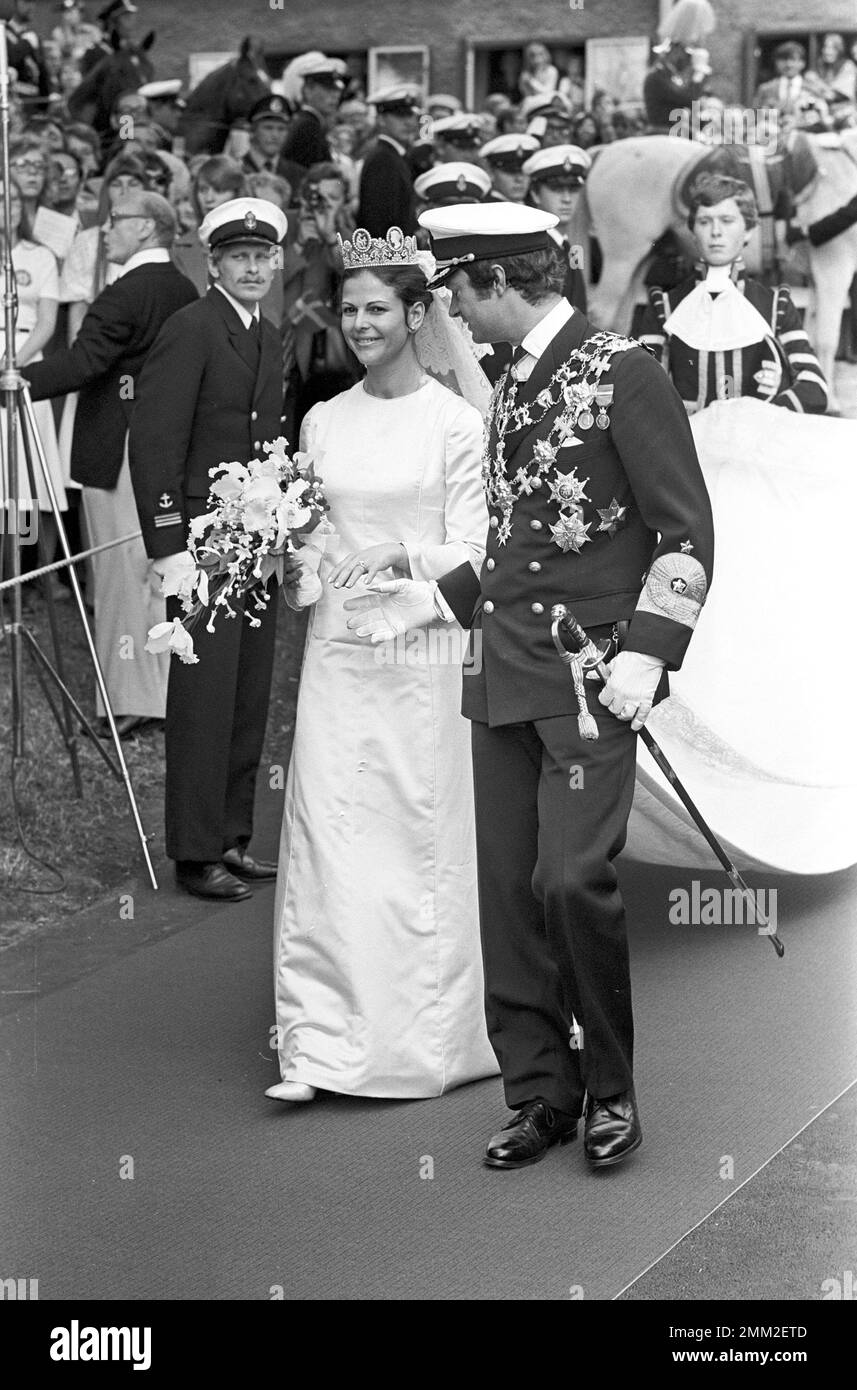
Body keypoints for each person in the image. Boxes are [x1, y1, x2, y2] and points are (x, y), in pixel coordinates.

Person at [345, 203, 715, 1170]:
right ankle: (539, 1092)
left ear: (498, 282)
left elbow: (684, 534)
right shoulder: (512, 379)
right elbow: (518, 544)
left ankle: (611, 1090)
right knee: (508, 892)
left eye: (458, 296)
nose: (451, 318)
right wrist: (435, 601)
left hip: (592, 676)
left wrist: (647, 651)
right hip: (500, 668)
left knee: (570, 880)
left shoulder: (625, 370)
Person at [267, 225, 497, 1104]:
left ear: (416, 313)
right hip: (336, 650)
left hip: (420, 651)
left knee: (413, 830)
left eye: (378, 309)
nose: (361, 324)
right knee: (329, 826)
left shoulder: (453, 423)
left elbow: (474, 546)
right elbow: (314, 534)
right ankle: (319, 1042)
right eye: (350, 308)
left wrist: (400, 563)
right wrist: (284, 556)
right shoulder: (324, 417)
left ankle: (427, 1036)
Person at [129, 198, 288, 901]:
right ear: (212, 262)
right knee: (202, 699)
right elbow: (155, 441)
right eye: (237, 257)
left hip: (254, 543)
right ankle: (194, 853)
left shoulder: (268, 333)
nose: (252, 267)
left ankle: (231, 835)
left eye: (263, 256)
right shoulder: (192, 329)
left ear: (277, 262)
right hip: (199, 544)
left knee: (247, 691)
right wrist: (168, 545)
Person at [23, 192, 198, 737]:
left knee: (122, 577)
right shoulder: (183, 287)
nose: (105, 232)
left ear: (147, 228)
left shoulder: (126, 292)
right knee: (157, 569)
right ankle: (162, 690)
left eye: (115, 222)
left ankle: (130, 700)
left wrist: (17, 382)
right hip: (167, 447)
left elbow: (85, 361)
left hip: (120, 449)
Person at [639, 174, 828, 415]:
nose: (716, 232)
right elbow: (642, 389)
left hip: (754, 442)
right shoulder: (664, 307)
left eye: (727, 220)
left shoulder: (774, 306)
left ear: (748, 231)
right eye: (705, 221)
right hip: (690, 443)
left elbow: (815, 387)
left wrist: (766, 410)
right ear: (693, 233)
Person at [523, 145, 590, 313]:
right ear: (535, 194)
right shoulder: (534, 249)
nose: (567, 199)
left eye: (573, 189)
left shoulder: (566, 244)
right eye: (557, 189)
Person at [358, 85, 422, 236]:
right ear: (381, 119)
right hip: (388, 255)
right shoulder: (383, 159)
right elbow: (379, 223)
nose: (409, 123)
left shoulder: (394, 155)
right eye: (400, 116)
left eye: (411, 115)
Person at [644, 0, 715, 133]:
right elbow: (691, 99)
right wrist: (699, 72)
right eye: (687, 51)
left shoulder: (673, 75)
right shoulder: (657, 77)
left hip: (680, 135)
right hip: (664, 137)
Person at [280, 53, 346, 169]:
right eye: (327, 89)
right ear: (308, 91)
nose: (335, 95)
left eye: (336, 90)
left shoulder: (311, 123)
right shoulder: (308, 126)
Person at [753, 42, 830, 133]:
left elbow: (822, 122)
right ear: (776, 63)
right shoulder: (765, 89)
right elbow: (754, 119)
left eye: (793, 60)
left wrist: (798, 123)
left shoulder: (813, 89)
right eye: (783, 60)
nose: (788, 64)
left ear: (802, 63)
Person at [480, 133, 540, 205]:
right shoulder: (482, 210)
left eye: (525, 172)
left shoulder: (535, 206)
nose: (519, 179)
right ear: (490, 172)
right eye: (510, 171)